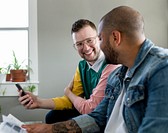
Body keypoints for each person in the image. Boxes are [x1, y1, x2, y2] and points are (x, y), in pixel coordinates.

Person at [21, 6, 168, 133]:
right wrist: (46, 129)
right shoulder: (118, 75)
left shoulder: (161, 68)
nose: (98, 46)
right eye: (79, 44)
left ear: (115, 37)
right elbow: (97, 117)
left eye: (100, 39)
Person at [18, 19, 119, 124]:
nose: (86, 48)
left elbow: (89, 107)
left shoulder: (111, 64)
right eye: (79, 44)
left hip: (104, 117)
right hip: (88, 111)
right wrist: (39, 102)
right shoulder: (82, 66)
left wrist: (67, 91)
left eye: (89, 40)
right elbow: (72, 100)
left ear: (99, 38)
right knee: (52, 117)